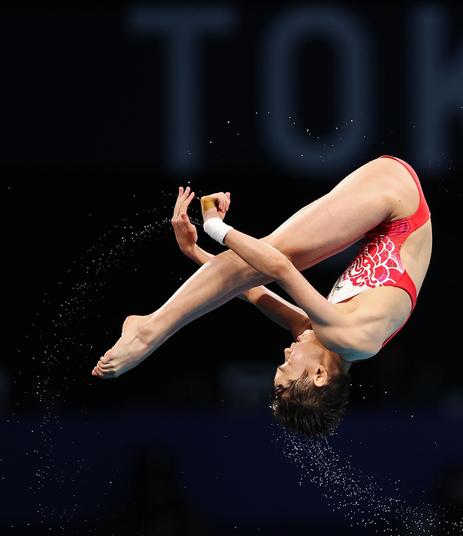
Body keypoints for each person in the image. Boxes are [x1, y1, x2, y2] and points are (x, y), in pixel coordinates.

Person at [91, 155, 432, 436]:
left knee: (263, 262)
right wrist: (216, 228)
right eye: (287, 364)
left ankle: (151, 327)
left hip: (388, 208)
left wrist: (196, 252)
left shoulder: (326, 340)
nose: (285, 352)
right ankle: (150, 332)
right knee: (279, 253)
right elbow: (280, 268)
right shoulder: (353, 338)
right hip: (399, 202)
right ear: (318, 376)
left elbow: (252, 293)